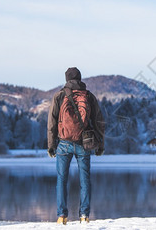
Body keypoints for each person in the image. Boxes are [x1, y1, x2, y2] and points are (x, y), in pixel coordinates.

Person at [47, 67, 105, 225]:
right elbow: (99, 121)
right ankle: (84, 215)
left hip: (64, 143)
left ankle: (61, 216)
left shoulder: (59, 95)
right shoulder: (88, 96)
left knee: (61, 180)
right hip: (84, 143)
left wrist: (51, 145)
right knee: (85, 180)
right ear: (80, 78)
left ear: (67, 79)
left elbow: (52, 122)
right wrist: (100, 145)